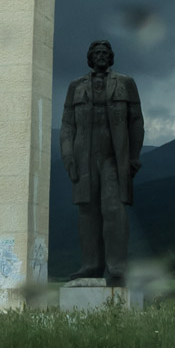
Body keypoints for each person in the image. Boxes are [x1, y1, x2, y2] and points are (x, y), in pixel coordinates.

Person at [59, 39, 145, 285]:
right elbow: (67, 126)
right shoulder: (75, 86)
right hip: (84, 158)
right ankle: (91, 265)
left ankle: (117, 266)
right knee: (87, 211)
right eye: (96, 52)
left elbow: (136, 122)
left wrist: (134, 158)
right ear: (89, 57)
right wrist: (68, 157)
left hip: (113, 157)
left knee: (113, 209)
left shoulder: (126, 83)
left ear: (111, 56)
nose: (100, 56)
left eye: (105, 52)